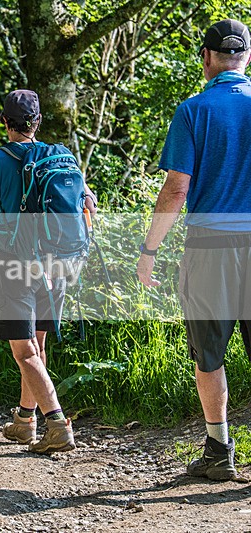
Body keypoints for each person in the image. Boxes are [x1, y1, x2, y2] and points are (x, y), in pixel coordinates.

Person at [137, 19, 251, 481]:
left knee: (209, 353)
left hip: (211, 246)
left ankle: (219, 450)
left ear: (206, 58)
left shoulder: (194, 110)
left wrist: (149, 249)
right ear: (248, 59)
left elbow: (177, 189)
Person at [0, 89, 96, 454]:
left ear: (4, 121)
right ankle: (24, 421)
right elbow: (89, 205)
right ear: (37, 122)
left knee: (24, 351)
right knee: (38, 344)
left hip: (17, 264)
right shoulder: (61, 155)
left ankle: (56, 423)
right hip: (59, 264)